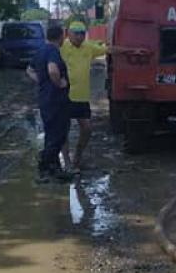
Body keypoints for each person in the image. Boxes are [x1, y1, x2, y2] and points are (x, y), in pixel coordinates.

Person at [58, 22, 145, 170]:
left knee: (87, 129)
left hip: (82, 97)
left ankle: (77, 157)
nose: (79, 36)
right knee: (63, 130)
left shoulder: (88, 47)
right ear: (69, 34)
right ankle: (66, 162)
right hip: (64, 97)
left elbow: (109, 49)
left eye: (82, 33)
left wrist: (131, 50)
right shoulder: (62, 47)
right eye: (76, 33)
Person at [26, 24, 71, 182]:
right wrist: (59, 83)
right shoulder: (53, 51)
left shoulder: (40, 51)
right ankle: (44, 165)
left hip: (45, 98)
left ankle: (53, 168)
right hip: (55, 99)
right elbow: (53, 70)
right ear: (61, 37)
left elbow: (29, 70)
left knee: (51, 133)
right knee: (59, 133)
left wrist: (41, 81)